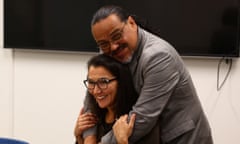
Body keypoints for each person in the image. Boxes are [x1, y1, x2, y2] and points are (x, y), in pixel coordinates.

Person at [82, 4, 214, 144]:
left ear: (131, 23)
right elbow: (92, 97)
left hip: (182, 138)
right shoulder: (108, 50)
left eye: (117, 35)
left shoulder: (158, 56)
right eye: (103, 44)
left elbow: (142, 118)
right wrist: (89, 138)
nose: (113, 46)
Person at [74, 54, 138, 144]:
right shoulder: (94, 117)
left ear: (121, 82)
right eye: (91, 82)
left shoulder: (134, 120)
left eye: (103, 82)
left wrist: (123, 142)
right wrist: (79, 137)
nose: (96, 91)